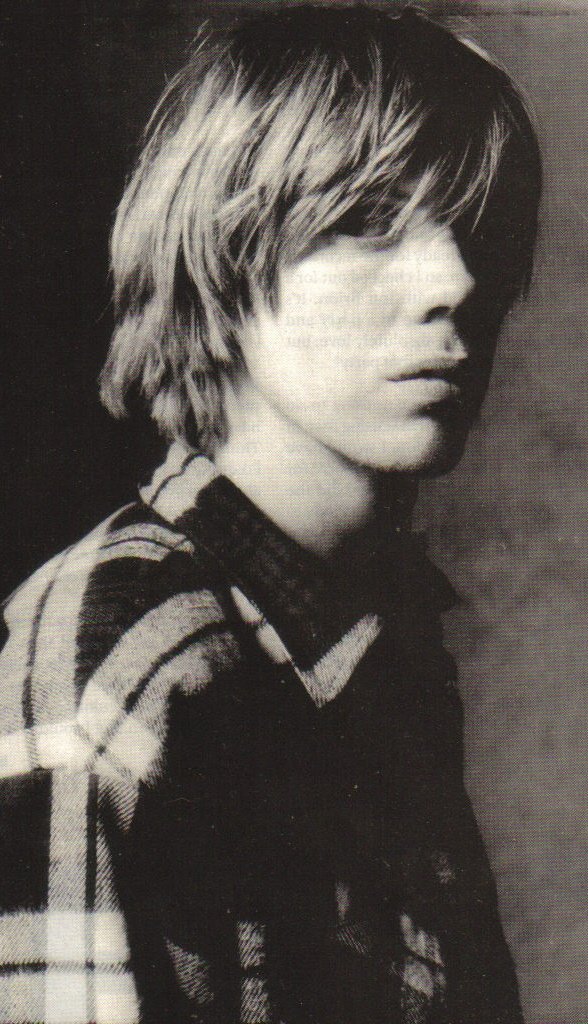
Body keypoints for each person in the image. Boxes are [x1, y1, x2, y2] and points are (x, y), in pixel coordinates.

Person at [0, 5, 541, 1023]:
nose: (458, 281)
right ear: (221, 256)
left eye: (473, 225)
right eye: (366, 223)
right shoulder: (122, 662)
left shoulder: (383, 649)